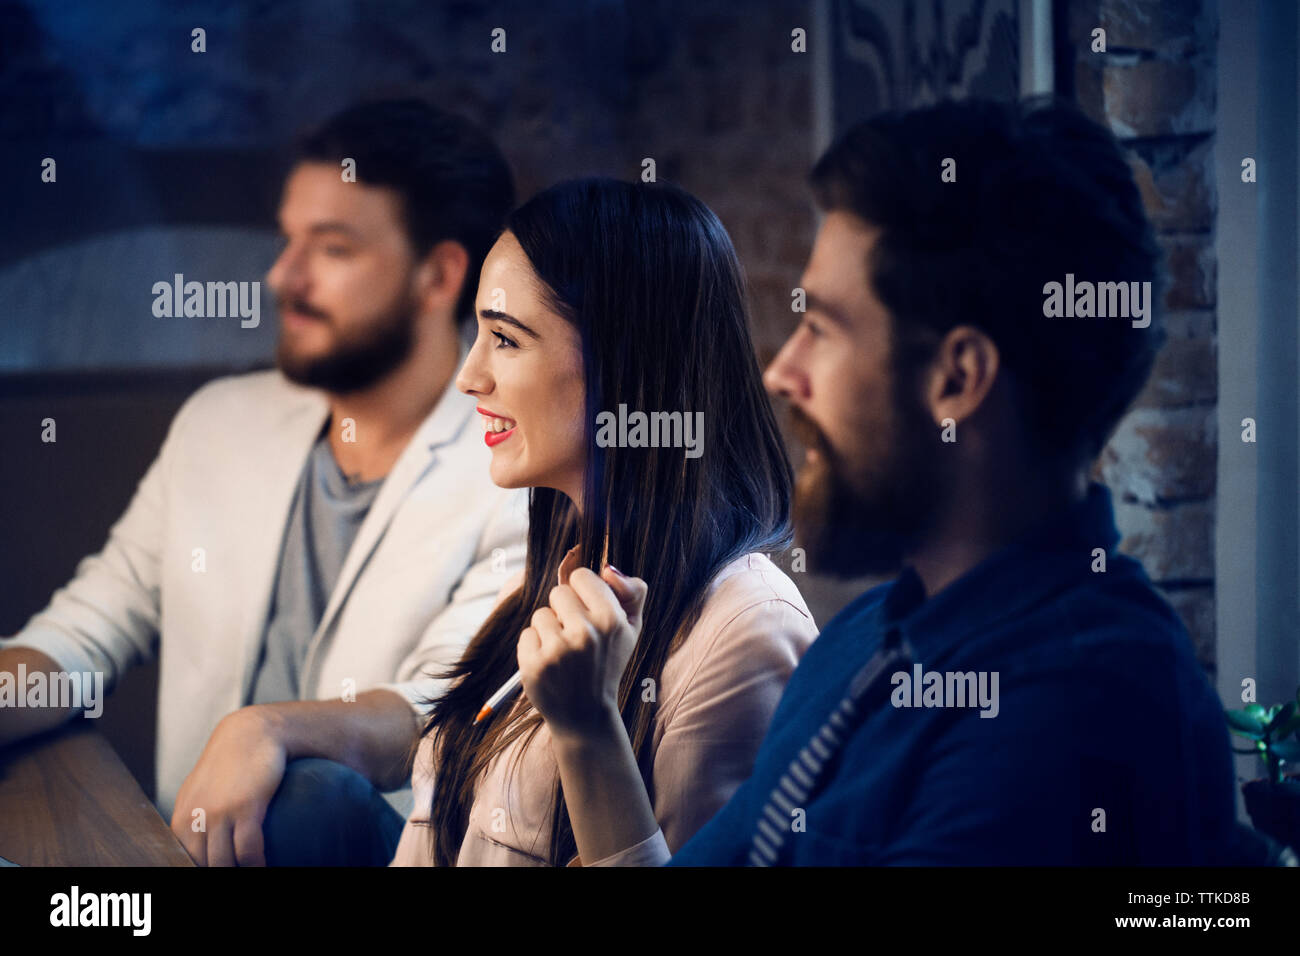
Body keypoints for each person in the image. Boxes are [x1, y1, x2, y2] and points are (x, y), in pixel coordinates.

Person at [523, 98, 1238, 865]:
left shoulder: (1071, 709)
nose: (781, 371)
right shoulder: (865, 638)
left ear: (959, 379)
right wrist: (588, 725)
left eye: (823, 328)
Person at [0, 99, 528, 866]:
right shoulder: (219, 423)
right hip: (185, 857)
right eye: (288, 242)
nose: (283, 277)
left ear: (439, 273)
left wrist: (268, 726)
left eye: (333, 248)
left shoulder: (513, 468)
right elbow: (84, 635)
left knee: (310, 797)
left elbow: (433, 715)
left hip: (372, 852)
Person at [389, 178, 818, 866]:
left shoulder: (745, 630)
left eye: (504, 339)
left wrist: (588, 730)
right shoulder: (554, 579)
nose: (469, 376)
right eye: (479, 334)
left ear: (625, 364)